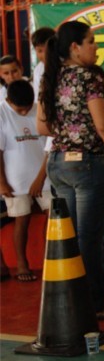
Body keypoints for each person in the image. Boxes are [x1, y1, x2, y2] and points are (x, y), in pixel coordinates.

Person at [36, 20, 104, 319]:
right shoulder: (90, 78)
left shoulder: (50, 78)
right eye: (91, 41)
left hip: (58, 163)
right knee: (91, 237)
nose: (96, 47)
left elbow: (42, 125)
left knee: (71, 236)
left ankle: (71, 301)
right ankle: (95, 304)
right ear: (75, 47)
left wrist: (69, 130)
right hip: (89, 164)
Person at [0, 80, 50, 282]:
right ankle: (22, 263)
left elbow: (50, 146)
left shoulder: (40, 110)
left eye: (27, 108)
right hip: (15, 180)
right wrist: (2, 182)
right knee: (22, 219)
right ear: (8, 100)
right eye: (19, 109)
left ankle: (51, 260)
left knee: (54, 217)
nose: (24, 113)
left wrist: (41, 178)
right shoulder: (2, 113)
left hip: (43, 177)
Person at [30, 27, 56, 102]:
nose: (45, 55)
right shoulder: (38, 70)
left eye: (48, 50)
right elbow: (38, 98)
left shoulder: (66, 65)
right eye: (40, 51)